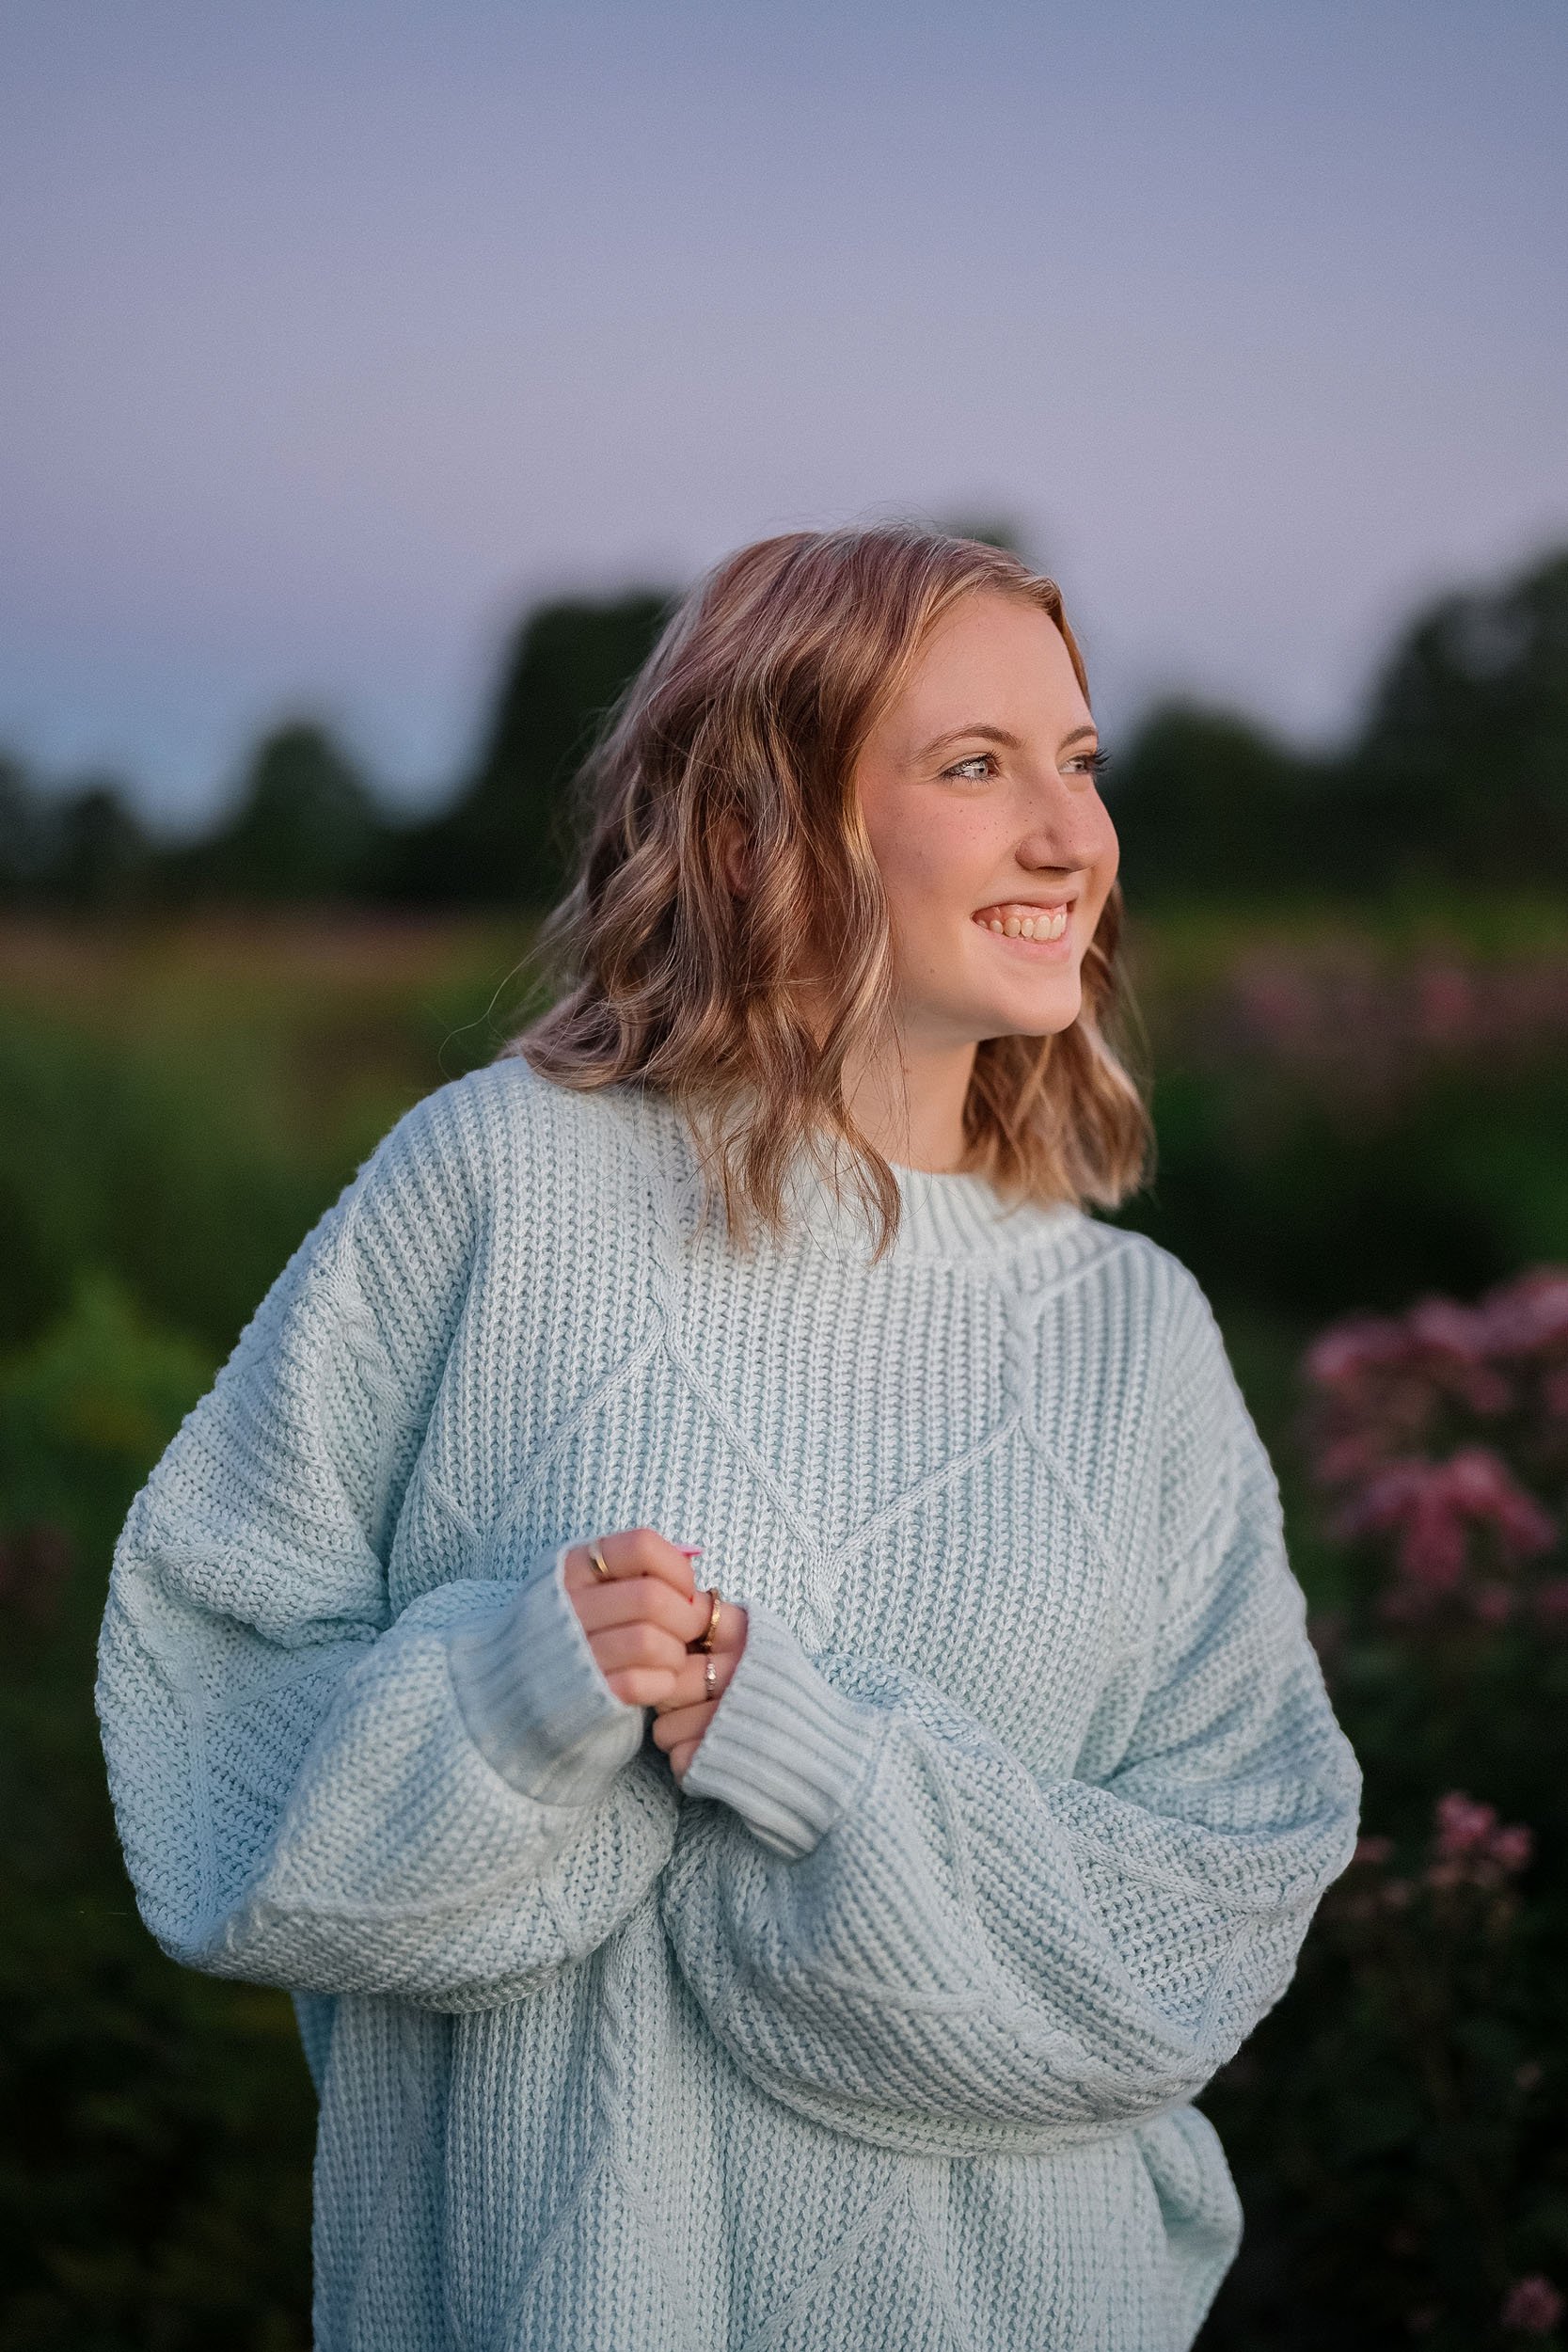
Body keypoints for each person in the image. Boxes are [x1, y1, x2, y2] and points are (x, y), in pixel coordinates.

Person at [95, 524, 1361, 2352]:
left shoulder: (1133, 1331)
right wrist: (519, 1694)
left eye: (1079, 764)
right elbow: (207, 1705)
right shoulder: (498, 1184)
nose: (1073, 838)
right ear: (763, 820)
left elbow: (1232, 1867)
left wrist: (828, 1769)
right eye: (975, 765)